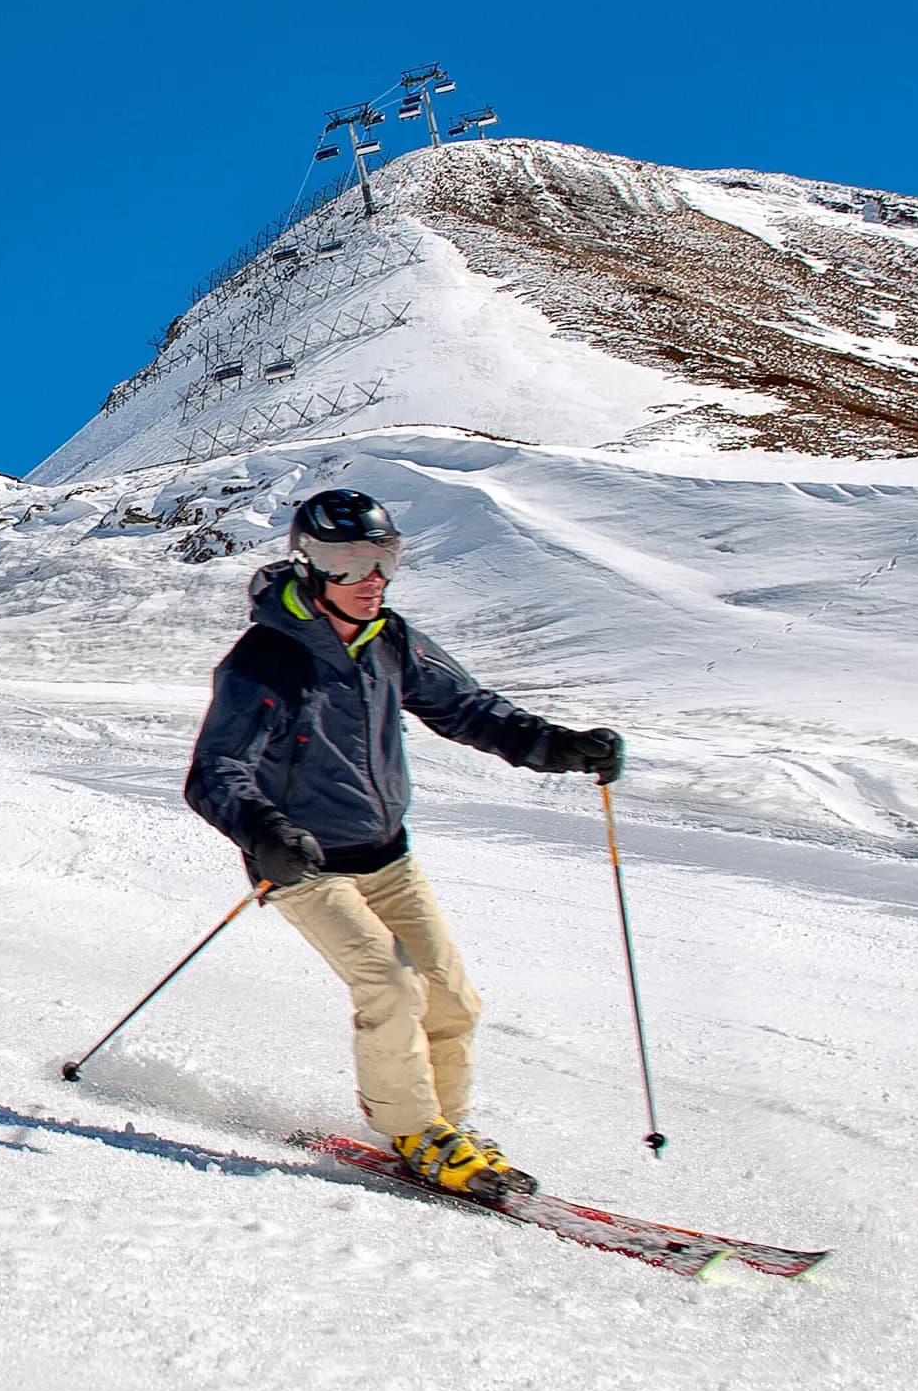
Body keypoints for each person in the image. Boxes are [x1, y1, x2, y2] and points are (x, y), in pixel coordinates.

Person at [184, 489, 623, 1200]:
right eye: (350, 563)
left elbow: (469, 709)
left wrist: (558, 745)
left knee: (453, 1001)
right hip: (304, 865)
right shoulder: (264, 661)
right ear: (309, 567)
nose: (371, 581)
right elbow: (215, 772)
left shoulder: (390, 641)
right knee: (390, 987)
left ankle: (446, 1128)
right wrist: (264, 833)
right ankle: (414, 1132)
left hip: (387, 854)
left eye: (384, 560)